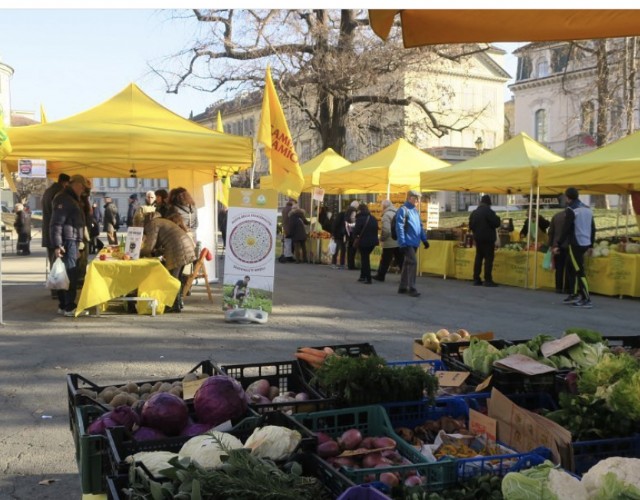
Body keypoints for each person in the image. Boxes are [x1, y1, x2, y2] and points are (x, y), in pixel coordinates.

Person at [50, 175, 91, 317]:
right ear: (77, 185)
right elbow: (56, 223)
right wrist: (58, 245)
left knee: (65, 274)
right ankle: (69, 307)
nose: (83, 190)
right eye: (83, 187)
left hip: (71, 240)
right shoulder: (64, 199)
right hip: (68, 241)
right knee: (70, 274)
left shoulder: (70, 198)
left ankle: (63, 305)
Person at [140, 212, 196, 313]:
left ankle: (173, 305)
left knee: (172, 279)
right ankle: (177, 303)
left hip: (178, 250)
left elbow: (149, 246)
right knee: (176, 278)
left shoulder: (153, 224)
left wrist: (139, 253)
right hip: (185, 248)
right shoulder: (161, 221)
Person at [554, 187, 596, 309]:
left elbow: (566, 228)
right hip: (585, 242)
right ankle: (574, 294)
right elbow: (593, 228)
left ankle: (586, 298)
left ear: (567, 197)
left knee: (579, 270)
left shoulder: (571, 209)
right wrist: (591, 244)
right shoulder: (587, 209)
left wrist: (558, 244)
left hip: (576, 243)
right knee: (570, 267)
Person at [396, 190, 429, 297]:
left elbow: (420, 226)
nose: (418, 201)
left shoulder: (415, 211)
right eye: (416, 198)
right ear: (410, 198)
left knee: (407, 263)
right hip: (407, 242)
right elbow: (399, 227)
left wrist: (424, 240)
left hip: (414, 242)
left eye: (418, 199)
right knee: (413, 262)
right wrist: (402, 243)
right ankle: (412, 287)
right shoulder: (403, 210)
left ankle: (402, 286)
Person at [469, 194, 501, 287]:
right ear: (488, 203)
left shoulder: (474, 212)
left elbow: (470, 225)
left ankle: (476, 279)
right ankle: (488, 280)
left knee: (478, 258)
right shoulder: (489, 212)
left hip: (478, 239)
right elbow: (496, 223)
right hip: (488, 239)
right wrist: (498, 218)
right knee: (488, 259)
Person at [41, 173, 71, 271]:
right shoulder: (60, 192)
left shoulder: (48, 191)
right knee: (59, 261)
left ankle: (54, 281)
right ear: (66, 183)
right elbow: (60, 214)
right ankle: (57, 283)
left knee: (53, 260)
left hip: (48, 229)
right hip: (57, 231)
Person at [373, 199, 404, 282]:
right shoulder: (398, 212)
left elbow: (386, 230)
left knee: (385, 260)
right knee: (400, 260)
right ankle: (405, 277)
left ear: (384, 206)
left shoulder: (386, 215)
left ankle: (380, 275)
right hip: (399, 240)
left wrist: (382, 238)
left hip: (389, 241)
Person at [352, 203, 379, 284]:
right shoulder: (373, 218)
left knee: (365, 260)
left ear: (359, 210)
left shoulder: (360, 219)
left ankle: (368, 277)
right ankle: (362, 276)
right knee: (365, 258)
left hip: (364, 242)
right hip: (373, 242)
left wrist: (354, 237)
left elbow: (356, 231)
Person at [547, 208, 572, 295]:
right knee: (569, 268)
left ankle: (558, 288)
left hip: (557, 245)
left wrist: (550, 245)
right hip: (569, 245)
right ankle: (567, 288)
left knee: (559, 268)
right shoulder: (573, 216)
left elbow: (551, 232)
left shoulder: (556, 216)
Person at [344, 200, 359, 270]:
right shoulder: (353, 210)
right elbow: (353, 220)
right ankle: (351, 265)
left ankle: (349, 264)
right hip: (352, 232)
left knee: (349, 248)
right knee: (353, 249)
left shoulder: (347, 210)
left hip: (348, 232)